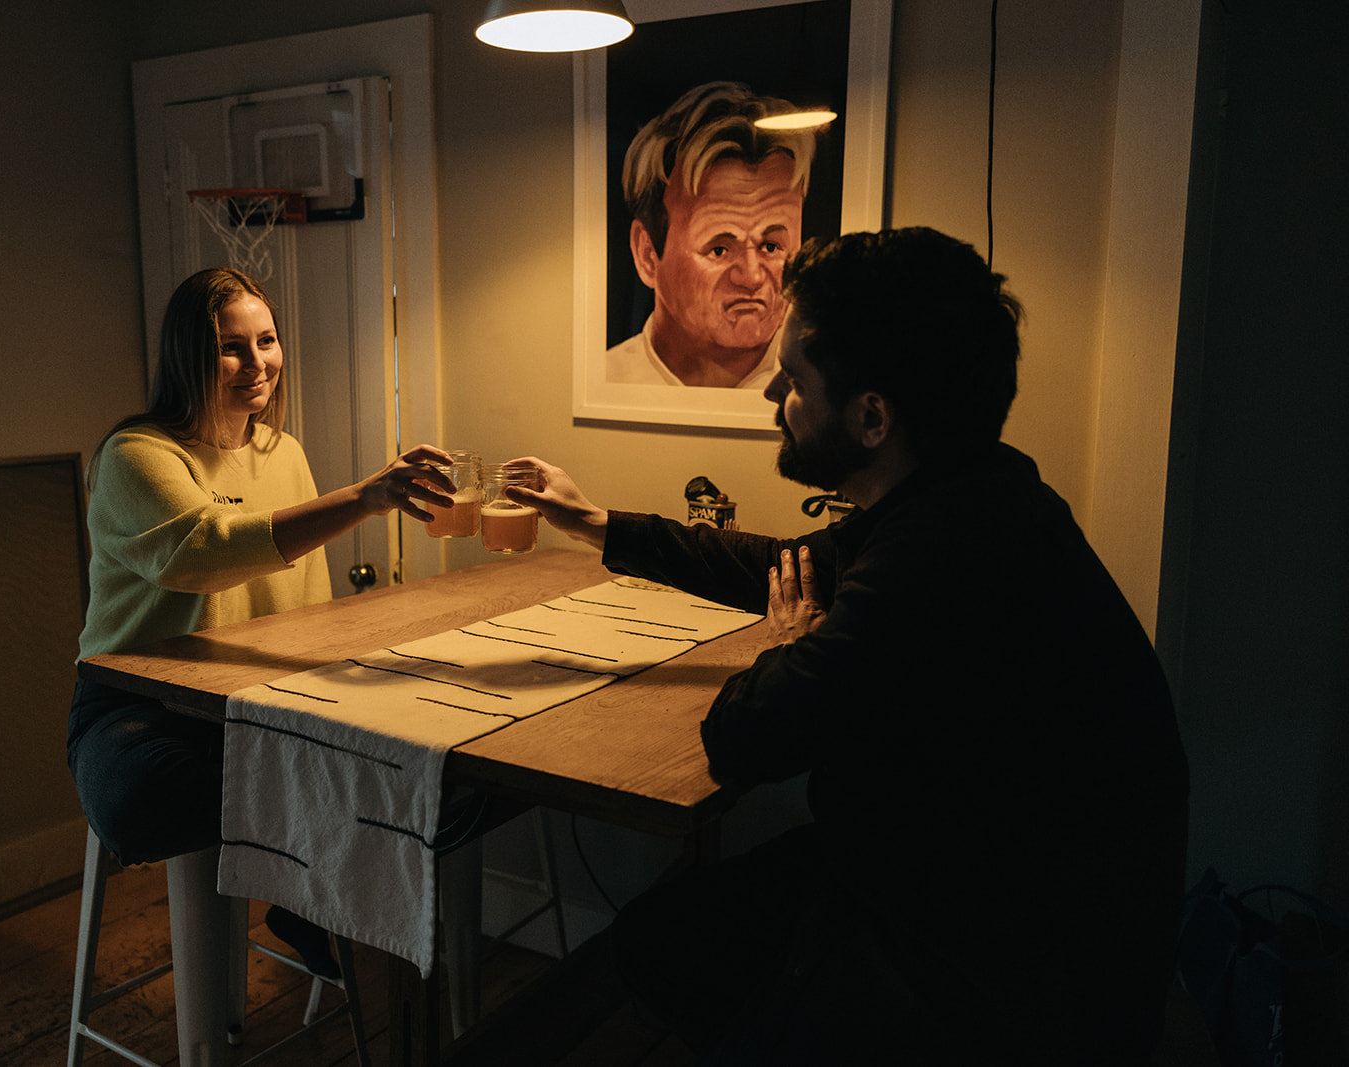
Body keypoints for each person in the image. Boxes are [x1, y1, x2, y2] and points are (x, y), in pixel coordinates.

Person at [512, 228, 1189, 1063]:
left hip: (1001, 958)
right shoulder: (974, 492)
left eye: (793, 379)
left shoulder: (940, 554)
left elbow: (744, 732)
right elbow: (783, 564)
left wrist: (788, 643)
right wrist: (598, 524)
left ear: (871, 416)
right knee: (669, 933)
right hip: (969, 876)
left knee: (669, 945)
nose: (773, 396)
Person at [66, 267, 455, 979]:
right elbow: (205, 551)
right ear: (188, 355)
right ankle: (289, 926)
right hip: (136, 711)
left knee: (395, 768)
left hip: (252, 706)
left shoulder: (284, 453)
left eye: (267, 341)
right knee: (187, 795)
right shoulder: (136, 456)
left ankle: (331, 921)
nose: (258, 364)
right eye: (231, 347)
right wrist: (366, 497)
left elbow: (305, 604)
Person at [607, 81, 815, 390]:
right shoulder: (608, 379)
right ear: (647, 255)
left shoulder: (823, 390)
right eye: (719, 249)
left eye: (771, 246)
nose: (752, 277)